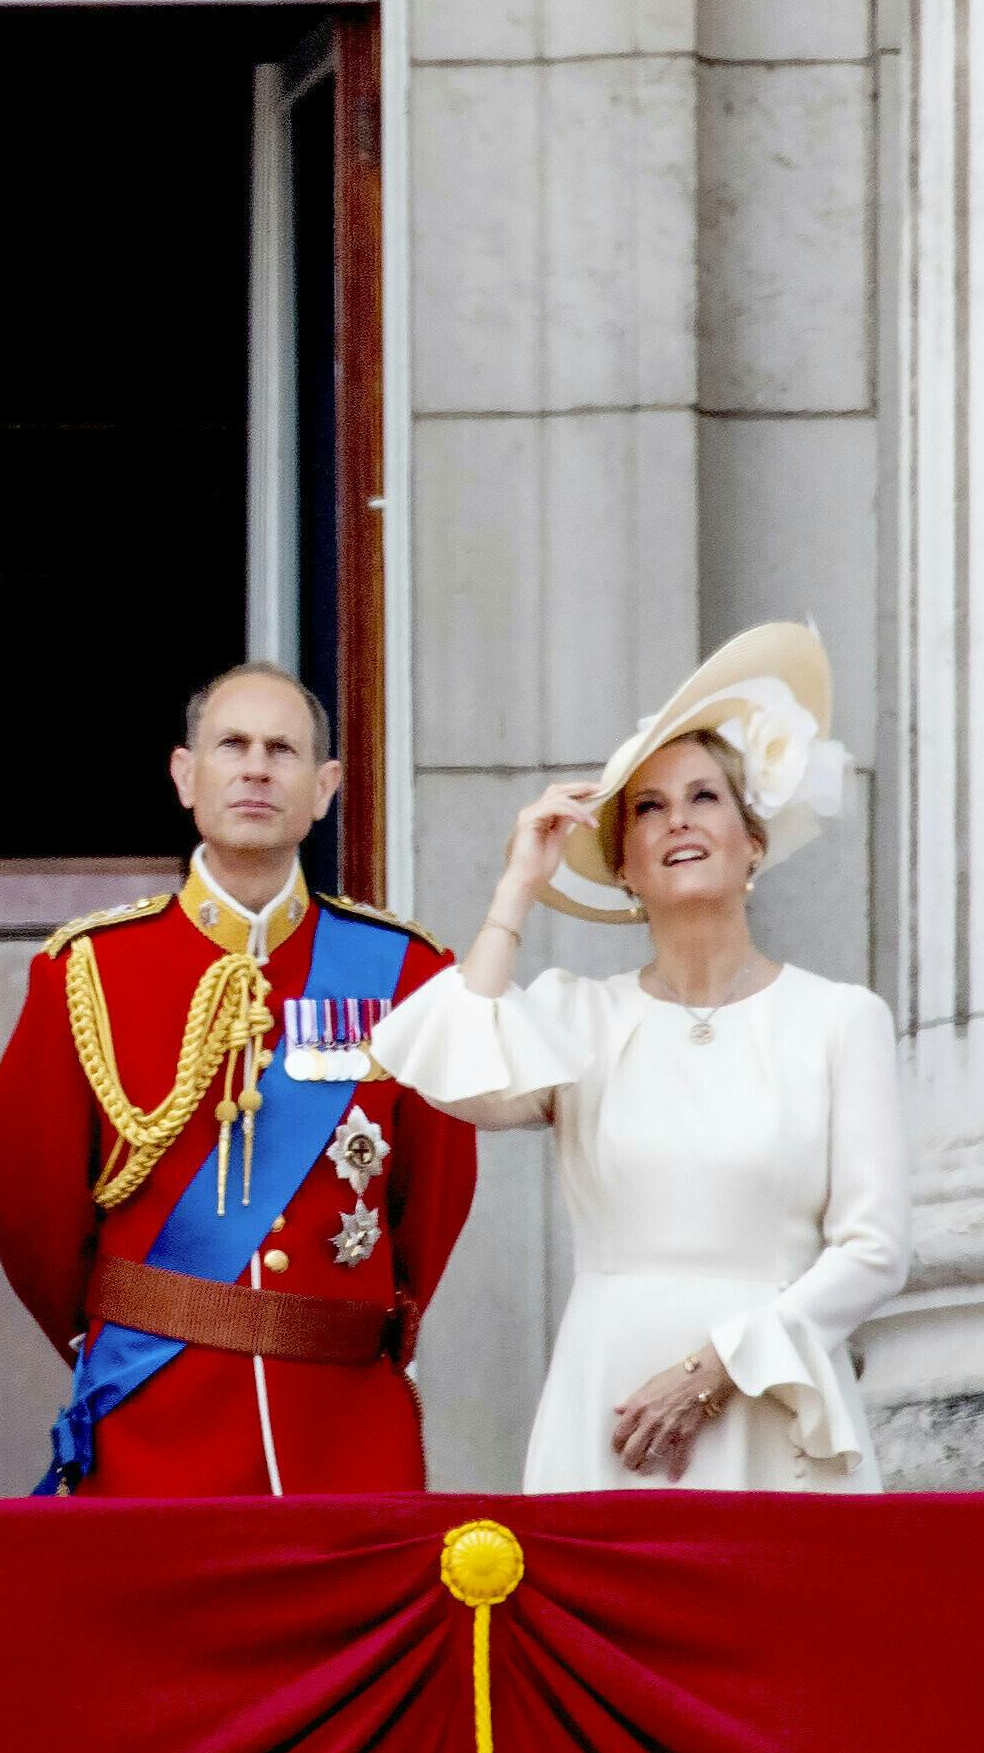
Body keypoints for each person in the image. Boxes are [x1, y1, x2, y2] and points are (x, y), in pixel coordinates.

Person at [368, 624, 906, 1490]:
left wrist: (714, 1371)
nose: (678, 820)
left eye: (703, 797)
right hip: (607, 1403)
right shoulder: (576, 1015)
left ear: (752, 840)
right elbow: (454, 1076)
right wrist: (517, 885)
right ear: (623, 866)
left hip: (768, 1402)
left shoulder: (840, 1018)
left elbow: (874, 1250)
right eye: (647, 807)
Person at [0, 665, 479, 1496]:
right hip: (156, 1424)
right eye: (231, 745)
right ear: (185, 775)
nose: (255, 767)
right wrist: (133, 1334)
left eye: (281, 750)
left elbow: (434, 1194)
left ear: (323, 789)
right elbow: (27, 1201)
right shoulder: (90, 969)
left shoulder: (406, 972)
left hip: (341, 1432)